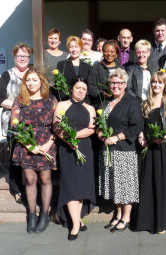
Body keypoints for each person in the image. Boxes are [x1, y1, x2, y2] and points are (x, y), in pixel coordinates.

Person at [10, 67, 57, 234]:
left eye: (34, 80)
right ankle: (31, 215)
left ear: (41, 82)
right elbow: (14, 126)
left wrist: (48, 144)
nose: (31, 83)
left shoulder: (51, 100)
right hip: (26, 144)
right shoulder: (20, 100)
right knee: (30, 179)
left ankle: (44, 215)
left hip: (46, 144)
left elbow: (57, 126)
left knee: (45, 179)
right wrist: (29, 145)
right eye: (28, 80)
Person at [134, 71, 166, 234]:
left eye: (160, 82)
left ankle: (162, 222)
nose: (156, 85)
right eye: (154, 82)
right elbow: (139, 125)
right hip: (149, 150)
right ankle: (147, 222)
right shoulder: (145, 103)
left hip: (165, 150)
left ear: (165, 85)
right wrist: (141, 136)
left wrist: (165, 135)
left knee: (163, 185)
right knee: (148, 185)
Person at [97, 69, 143, 233]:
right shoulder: (106, 102)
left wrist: (117, 138)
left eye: (119, 83)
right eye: (113, 82)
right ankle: (117, 214)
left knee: (125, 186)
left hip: (124, 150)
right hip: (108, 150)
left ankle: (126, 218)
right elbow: (99, 123)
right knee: (115, 186)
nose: (115, 86)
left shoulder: (132, 102)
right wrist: (99, 132)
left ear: (125, 84)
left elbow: (137, 126)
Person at [54, 77, 96, 241]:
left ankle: (77, 219)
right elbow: (57, 126)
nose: (81, 91)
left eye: (84, 89)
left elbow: (92, 128)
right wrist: (68, 140)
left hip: (84, 149)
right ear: (71, 88)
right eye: (78, 87)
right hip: (67, 149)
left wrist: (75, 137)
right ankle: (76, 224)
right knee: (71, 186)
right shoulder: (62, 105)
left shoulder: (90, 108)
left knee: (81, 187)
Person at [0, 43, 32, 204]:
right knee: (15, 157)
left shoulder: (33, 74)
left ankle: (32, 187)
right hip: (13, 123)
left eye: (25, 56)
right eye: (19, 56)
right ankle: (17, 190)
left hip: (32, 122)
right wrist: (21, 105)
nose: (22, 58)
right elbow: (0, 100)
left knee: (31, 156)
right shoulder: (7, 75)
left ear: (29, 58)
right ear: (15, 57)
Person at [55, 36, 91, 101]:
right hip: (67, 100)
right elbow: (59, 84)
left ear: (81, 48)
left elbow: (89, 86)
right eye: (71, 47)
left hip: (83, 101)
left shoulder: (87, 67)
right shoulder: (62, 65)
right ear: (68, 49)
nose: (74, 50)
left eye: (76, 47)